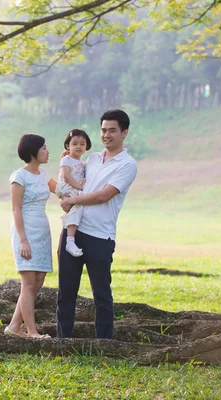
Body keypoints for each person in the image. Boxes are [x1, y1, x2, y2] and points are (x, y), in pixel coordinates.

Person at [56, 110, 137, 339]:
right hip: (74, 230)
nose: (106, 135)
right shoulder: (91, 159)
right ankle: (63, 342)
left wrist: (72, 200)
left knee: (101, 294)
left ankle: (104, 343)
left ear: (124, 132)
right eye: (103, 130)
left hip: (101, 237)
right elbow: (70, 175)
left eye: (112, 130)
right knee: (66, 293)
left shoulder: (127, 165)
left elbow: (103, 196)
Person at [5, 133, 57, 339]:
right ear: (33, 151)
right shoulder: (19, 176)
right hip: (24, 231)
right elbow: (16, 210)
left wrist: (70, 163)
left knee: (38, 281)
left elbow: (62, 190)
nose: (47, 151)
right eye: (43, 148)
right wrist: (23, 240)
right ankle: (32, 331)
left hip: (42, 230)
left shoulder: (43, 175)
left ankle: (13, 327)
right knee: (28, 283)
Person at [55, 129, 92, 258]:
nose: (78, 147)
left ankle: (68, 220)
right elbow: (66, 176)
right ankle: (70, 241)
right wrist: (79, 186)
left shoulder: (82, 163)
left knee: (77, 207)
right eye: (74, 144)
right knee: (79, 203)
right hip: (66, 187)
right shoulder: (66, 159)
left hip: (73, 188)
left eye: (82, 144)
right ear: (68, 146)